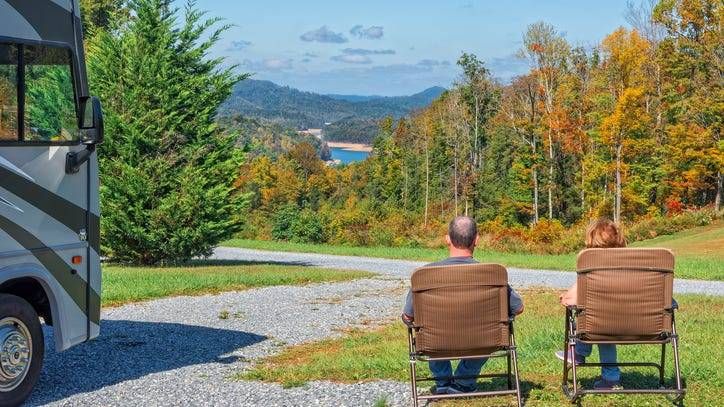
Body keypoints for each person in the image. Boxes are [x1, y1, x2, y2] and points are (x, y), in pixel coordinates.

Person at [402, 216, 524, 395]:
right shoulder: (493, 274)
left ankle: (443, 382)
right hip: (482, 340)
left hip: (435, 342)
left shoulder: (425, 275)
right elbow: (518, 308)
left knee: (429, 329)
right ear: (477, 240)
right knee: (488, 331)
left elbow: (408, 316)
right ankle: (464, 381)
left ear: (447, 239)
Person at [556, 218, 626, 390]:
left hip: (599, 325)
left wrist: (566, 297)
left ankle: (579, 352)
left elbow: (569, 301)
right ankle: (610, 377)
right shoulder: (634, 264)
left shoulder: (592, 266)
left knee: (595, 321)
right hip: (639, 325)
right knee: (606, 324)